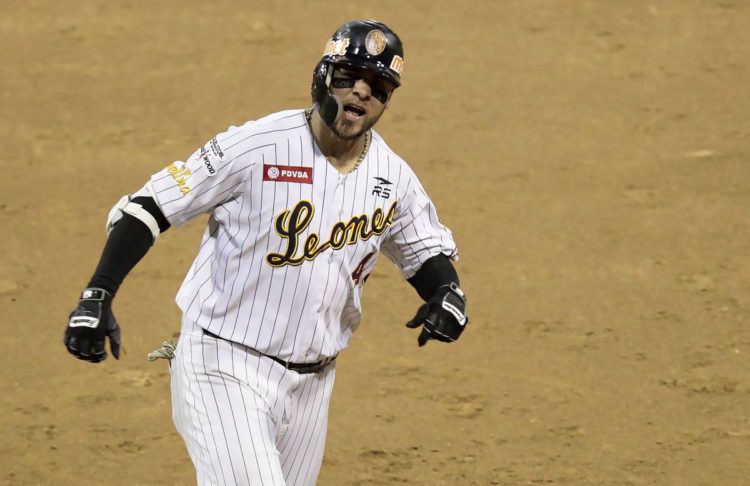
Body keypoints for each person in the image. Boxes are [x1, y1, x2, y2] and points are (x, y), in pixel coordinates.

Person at [64, 19, 468, 486]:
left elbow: (425, 253)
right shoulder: (257, 145)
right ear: (322, 75)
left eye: (377, 86)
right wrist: (99, 292)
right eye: (347, 77)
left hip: (313, 386)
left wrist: (447, 294)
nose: (360, 93)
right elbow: (150, 207)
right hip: (223, 365)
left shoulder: (392, 177)